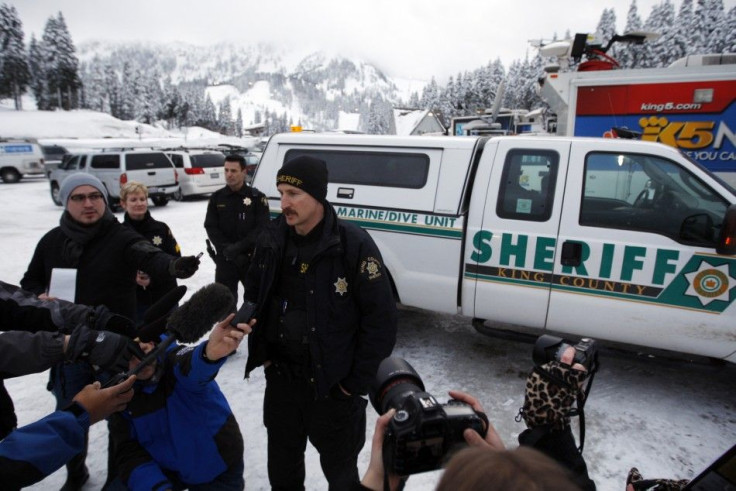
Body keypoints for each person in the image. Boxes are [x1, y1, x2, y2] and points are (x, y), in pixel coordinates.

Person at [20, 174, 200, 490]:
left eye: (95, 196)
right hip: (68, 345)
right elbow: (30, 282)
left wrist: (172, 267)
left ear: (105, 200)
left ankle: (119, 477)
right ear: (65, 201)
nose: (88, 203)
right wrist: (39, 297)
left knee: (121, 413)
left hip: (116, 343)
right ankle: (76, 473)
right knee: (71, 412)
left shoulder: (120, 236)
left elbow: (147, 253)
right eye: (78, 198)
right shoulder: (51, 241)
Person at [243, 155, 398, 490]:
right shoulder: (272, 239)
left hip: (333, 390)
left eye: (293, 194)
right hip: (283, 384)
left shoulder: (352, 244)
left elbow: (381, 322)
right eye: (280, 192)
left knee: (342, 477)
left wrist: (351, 386)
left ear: (317, 195)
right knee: (283, 475)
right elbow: (254, 294)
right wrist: (264, 352)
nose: (283, 203)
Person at [106, 313, 249, 491]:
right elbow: (128, 452)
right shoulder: (118, 394)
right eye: (130, 355)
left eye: (144, 349)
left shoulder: (174, 361)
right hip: (166, 469)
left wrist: (208, 354)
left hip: (216, 465)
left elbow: (192, 365)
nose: (140, 359)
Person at [205, 153, 270, 304]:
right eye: (226, 170)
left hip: (250, 259)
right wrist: (227, 250)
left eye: (233, 171)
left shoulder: (257, 198)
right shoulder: (217, 198)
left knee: (256, 302)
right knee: (224, 305)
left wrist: (239, 248)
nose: (229, 175)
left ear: (244, 172)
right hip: (225, 259)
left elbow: (263, 228)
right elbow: (211, 227)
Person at [120, 181, 182, 324]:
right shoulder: (119, 232)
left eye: (142, 199)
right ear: (123, 203)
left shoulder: (161, 229)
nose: (139, 203)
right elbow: (114, 266)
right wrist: (132, 277)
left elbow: (175, 259)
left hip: (165, 296)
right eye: (133, 200)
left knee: (168, 341)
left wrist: (153, 277)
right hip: (135, 301)